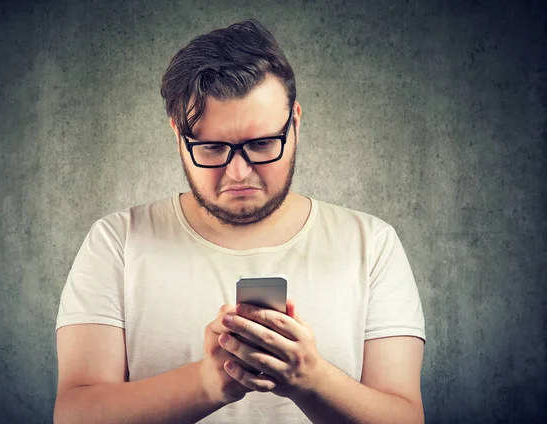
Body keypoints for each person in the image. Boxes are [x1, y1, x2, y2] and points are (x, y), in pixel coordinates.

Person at [54, 19, 426, 424]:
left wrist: (312, 380)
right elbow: (74, 414)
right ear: (178, 136)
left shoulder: (371, 244)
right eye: (212, 148)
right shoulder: (118, 242)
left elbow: (405, 417)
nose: (238, 173)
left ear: (295, 123)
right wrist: (206, 384)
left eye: (262, 143)